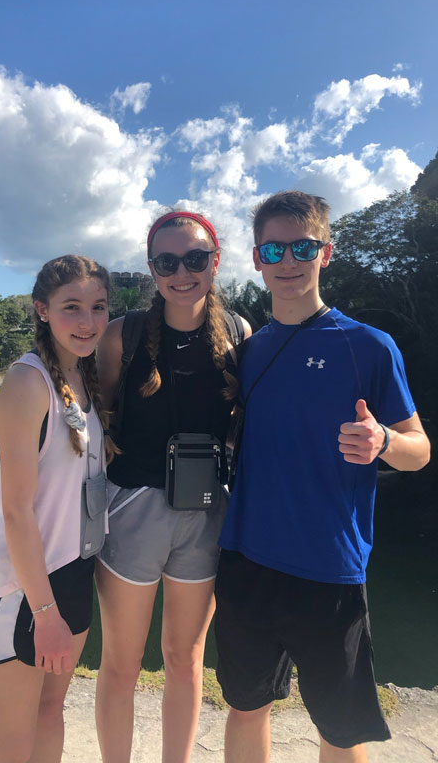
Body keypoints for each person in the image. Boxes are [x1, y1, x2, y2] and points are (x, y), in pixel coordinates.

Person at [215, 191, 431, 763]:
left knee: (339, 726)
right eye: (274, 248)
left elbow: (420, 451)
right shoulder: (248, 351)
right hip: (246, 556)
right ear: (257, 259)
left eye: (302, 246)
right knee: (244, 706)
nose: (288, 261)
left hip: (328, 565)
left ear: (325, 252)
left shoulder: (369, 347)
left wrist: (384, 441)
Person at [95, 211, 252, 763]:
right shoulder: (125, 335)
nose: (181, 272)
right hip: (134, 506)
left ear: (216, 261)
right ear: (152, 268)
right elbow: (102, 413)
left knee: (185, 660)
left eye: (195, 259)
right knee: (122, 661)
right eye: (167, 261)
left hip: (206, 511)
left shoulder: (237, 332)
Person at [0, 255, 111, 763]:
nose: (87, 321)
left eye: (97, 307)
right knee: (7, 745)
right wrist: (44, 611)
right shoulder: (29, 383)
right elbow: (16, 512)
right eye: (71, 307)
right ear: (42, 310)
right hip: (20, 587)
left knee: (50, 714)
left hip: (70, 572)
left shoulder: (82, 379)